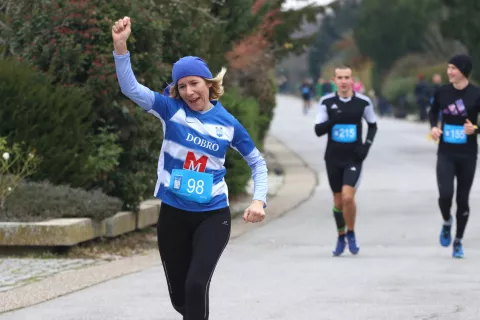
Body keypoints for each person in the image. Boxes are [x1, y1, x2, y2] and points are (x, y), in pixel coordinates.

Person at [111, 16, 268, 319]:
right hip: (173, 213)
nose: (188, 91)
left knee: (196, 285)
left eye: (194, 83)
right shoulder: (170, 110)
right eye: (181, 86)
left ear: (209, 84)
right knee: (181, 297)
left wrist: (259, 200)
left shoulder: (228, 125)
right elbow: (131, 88)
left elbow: (257, 163)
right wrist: (120, 47)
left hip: (212, 215)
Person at [314, 65, 378, 256]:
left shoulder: (363, 103)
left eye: (346, 77)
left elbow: (373, 126)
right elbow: (318, 130)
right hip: (333, 158)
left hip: (354, 158)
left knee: (348, 197)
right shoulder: (326, 102)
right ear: (334, 80)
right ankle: (341, 235)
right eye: (339, 78)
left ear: (353, 81)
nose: (343, 81)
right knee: (338, 201)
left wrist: (366, 147)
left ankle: (351, 232)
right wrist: (334, 119)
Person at [429, 54, 480, 259]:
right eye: (448, 67)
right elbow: (432, 113)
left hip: (467, 154)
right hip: (446, 152)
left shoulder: (476, 93)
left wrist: (475, 130)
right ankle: (447, 221)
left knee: (463, 199)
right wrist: (433, 127)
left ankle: (458, 240)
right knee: (445, 195)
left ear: (464, 71)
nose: (449, 72)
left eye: (454, 68)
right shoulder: (442, 92)